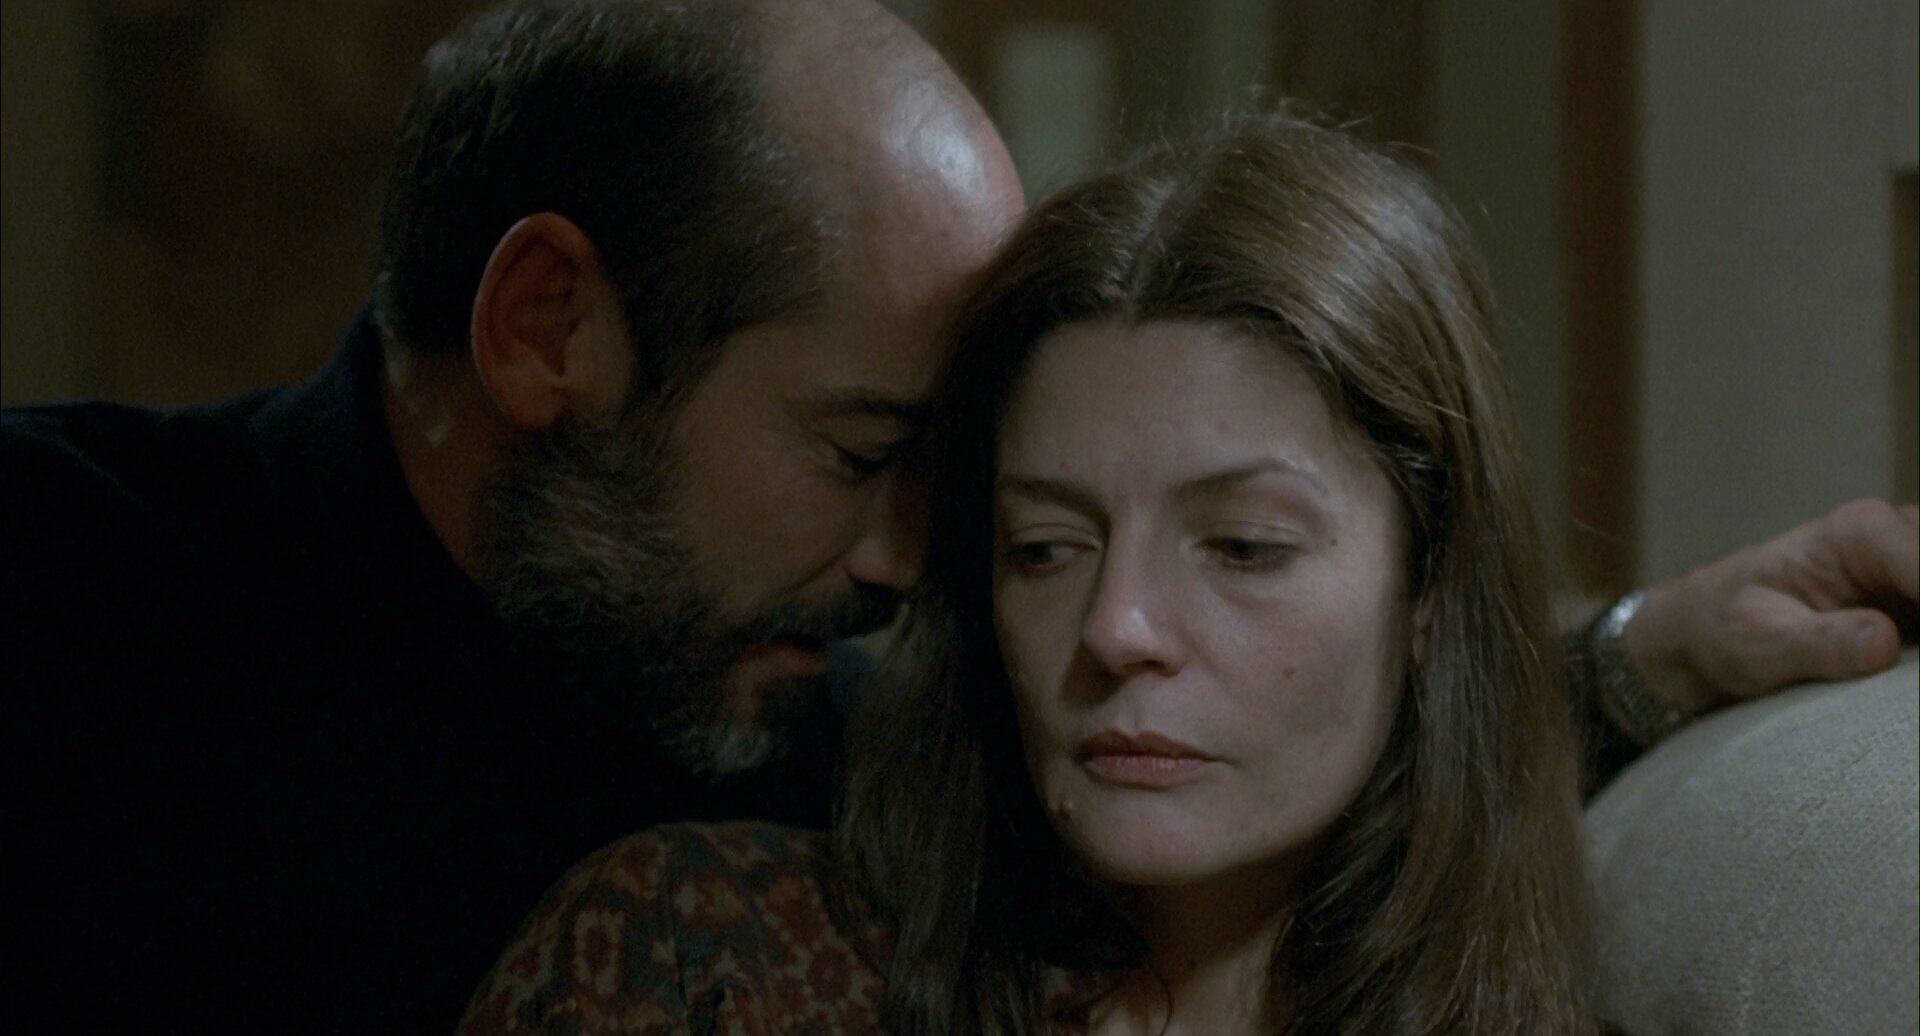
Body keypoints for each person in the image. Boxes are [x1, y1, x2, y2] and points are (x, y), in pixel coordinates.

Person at [1, 0, 1912, 1029]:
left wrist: (1638, 662)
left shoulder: (800, 692)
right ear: (546, 328)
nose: (914, 563)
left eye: (963, 496)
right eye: (862, 451)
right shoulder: (65, 593)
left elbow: (1235, 738)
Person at [463, 108, 1600, 1034]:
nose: (1116, 626)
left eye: (1243, 547)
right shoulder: (699, 960)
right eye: (1046, 549)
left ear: (1429, 588)